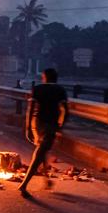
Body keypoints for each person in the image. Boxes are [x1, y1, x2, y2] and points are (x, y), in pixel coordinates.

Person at [19, 68, 68, 197]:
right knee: (40, 153)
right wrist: (60, 125)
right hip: (50, 125)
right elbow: (65, 110)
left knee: (42, 151)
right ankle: (24, 185)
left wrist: (28, 127)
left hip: (37, 124)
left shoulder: (38, 88)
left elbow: (30, 109)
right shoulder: (60, 90)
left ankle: (46, 180)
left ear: (45, 77)